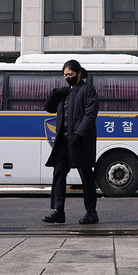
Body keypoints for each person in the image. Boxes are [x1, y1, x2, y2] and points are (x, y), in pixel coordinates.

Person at [42, 59, 100, 225]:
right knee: (59, 173)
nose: (67, 77)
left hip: (80, 141)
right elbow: (48, 107)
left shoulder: (88, 90)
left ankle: (91, 212)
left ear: (79, 73)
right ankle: (58, 211)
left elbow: (90, 115)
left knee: (86, 176)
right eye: (65, 75)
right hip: (63, 141)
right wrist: (55, 92)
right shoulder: (64, 93)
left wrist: (79, 134)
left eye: (71, 74)